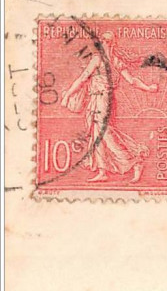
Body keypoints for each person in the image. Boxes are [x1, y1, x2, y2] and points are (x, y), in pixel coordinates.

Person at [60, 31, 158, 183]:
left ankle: (134, 161)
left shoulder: (100, 60)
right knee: (96, 134)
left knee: (103, 133)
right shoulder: (112, 60)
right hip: (98, 100)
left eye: (105, 41)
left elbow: (83, 79)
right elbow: (131, 80)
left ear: (110, 43)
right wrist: (148, 88)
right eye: (102, 41)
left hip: (102, 100)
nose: (103, 43)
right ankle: (102, 171)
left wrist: (149, 88)